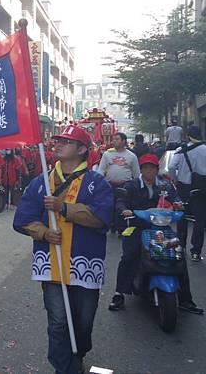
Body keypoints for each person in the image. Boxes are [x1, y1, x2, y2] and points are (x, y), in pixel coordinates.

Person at [13, 126, 113, 374]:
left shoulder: (96, 182)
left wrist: (63, 208)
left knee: (83, 321)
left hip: (85, 265)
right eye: (57, 140)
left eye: (66, 141)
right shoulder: (41, 182)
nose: (57, 144)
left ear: (82, 150)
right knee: (58, 322)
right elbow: (22, 219)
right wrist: (44, 233)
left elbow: (103, 218)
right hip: (52, 265)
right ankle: (64, 367)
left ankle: (78, 354)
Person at [109, 154, 203, 314]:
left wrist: (179, 205)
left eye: (152, 167)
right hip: (137, 226)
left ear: (156, 169)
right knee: (130, 254)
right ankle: (119, 293)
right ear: (141, 169)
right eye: (145, 167)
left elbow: (176, 199)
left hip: (162, 228)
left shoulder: (165, 186)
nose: (149, 170)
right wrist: (123, 209)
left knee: (178, 256)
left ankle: (186, 299)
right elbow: (121, 201)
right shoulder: (132, 185)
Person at [168, 125, 206, 261]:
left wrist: (175, 180)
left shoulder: (181, 150)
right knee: (199, 221)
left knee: (182, 217)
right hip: (201, 189)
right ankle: (196, 252)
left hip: (184, 188)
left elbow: (171, 166)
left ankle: (181, 246)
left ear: (188, 136)